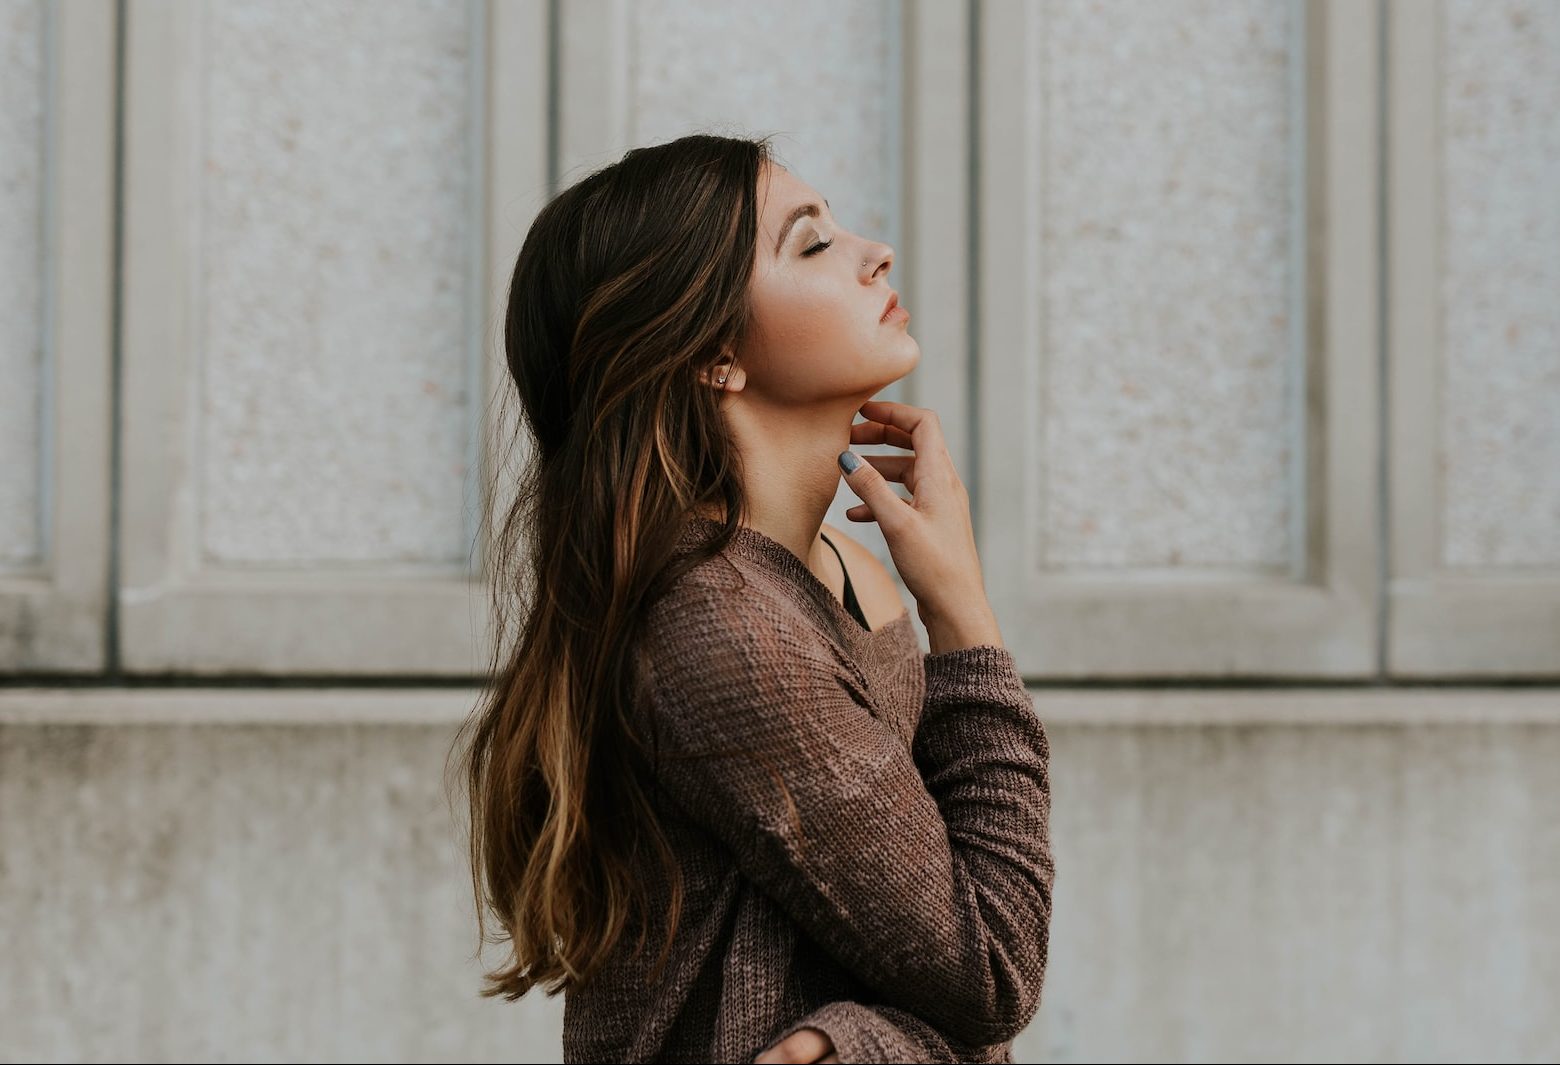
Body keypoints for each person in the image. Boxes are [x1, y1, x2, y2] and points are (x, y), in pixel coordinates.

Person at [447, 133, 1054, 1064]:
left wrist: (866, 1039)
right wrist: (967, 621)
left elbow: (939, 957)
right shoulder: (721, 628)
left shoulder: (853, 574)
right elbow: (993, 969)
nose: (872, 251)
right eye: (812, 243)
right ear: (713, 353)